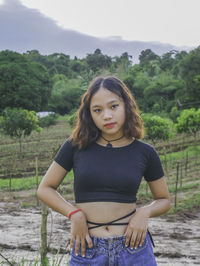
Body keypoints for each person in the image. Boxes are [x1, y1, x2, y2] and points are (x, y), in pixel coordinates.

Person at [37, 76, 171, 265]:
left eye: (113, 106)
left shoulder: (145, 152)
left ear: (126, 105)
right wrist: (74, 214)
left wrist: (144, 212)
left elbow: (164, 200)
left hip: (133, 249)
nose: (107, 115)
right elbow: (45, 189)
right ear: (89, 114)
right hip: (87, 249)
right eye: (97, 110)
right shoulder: (76, 146)